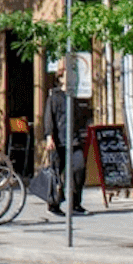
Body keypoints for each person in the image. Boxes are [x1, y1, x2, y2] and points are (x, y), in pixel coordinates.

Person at [42, 65, 88, 215]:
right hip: (59, 141)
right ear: (60, 79)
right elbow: (49, 118)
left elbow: (80, 118)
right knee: (56, 173)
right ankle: (53, 204)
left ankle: (75, 203)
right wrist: (49, 137)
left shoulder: (73, 97)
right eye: (67, 77)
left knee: (79, 169)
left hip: (74, 140)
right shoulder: (54, 97)